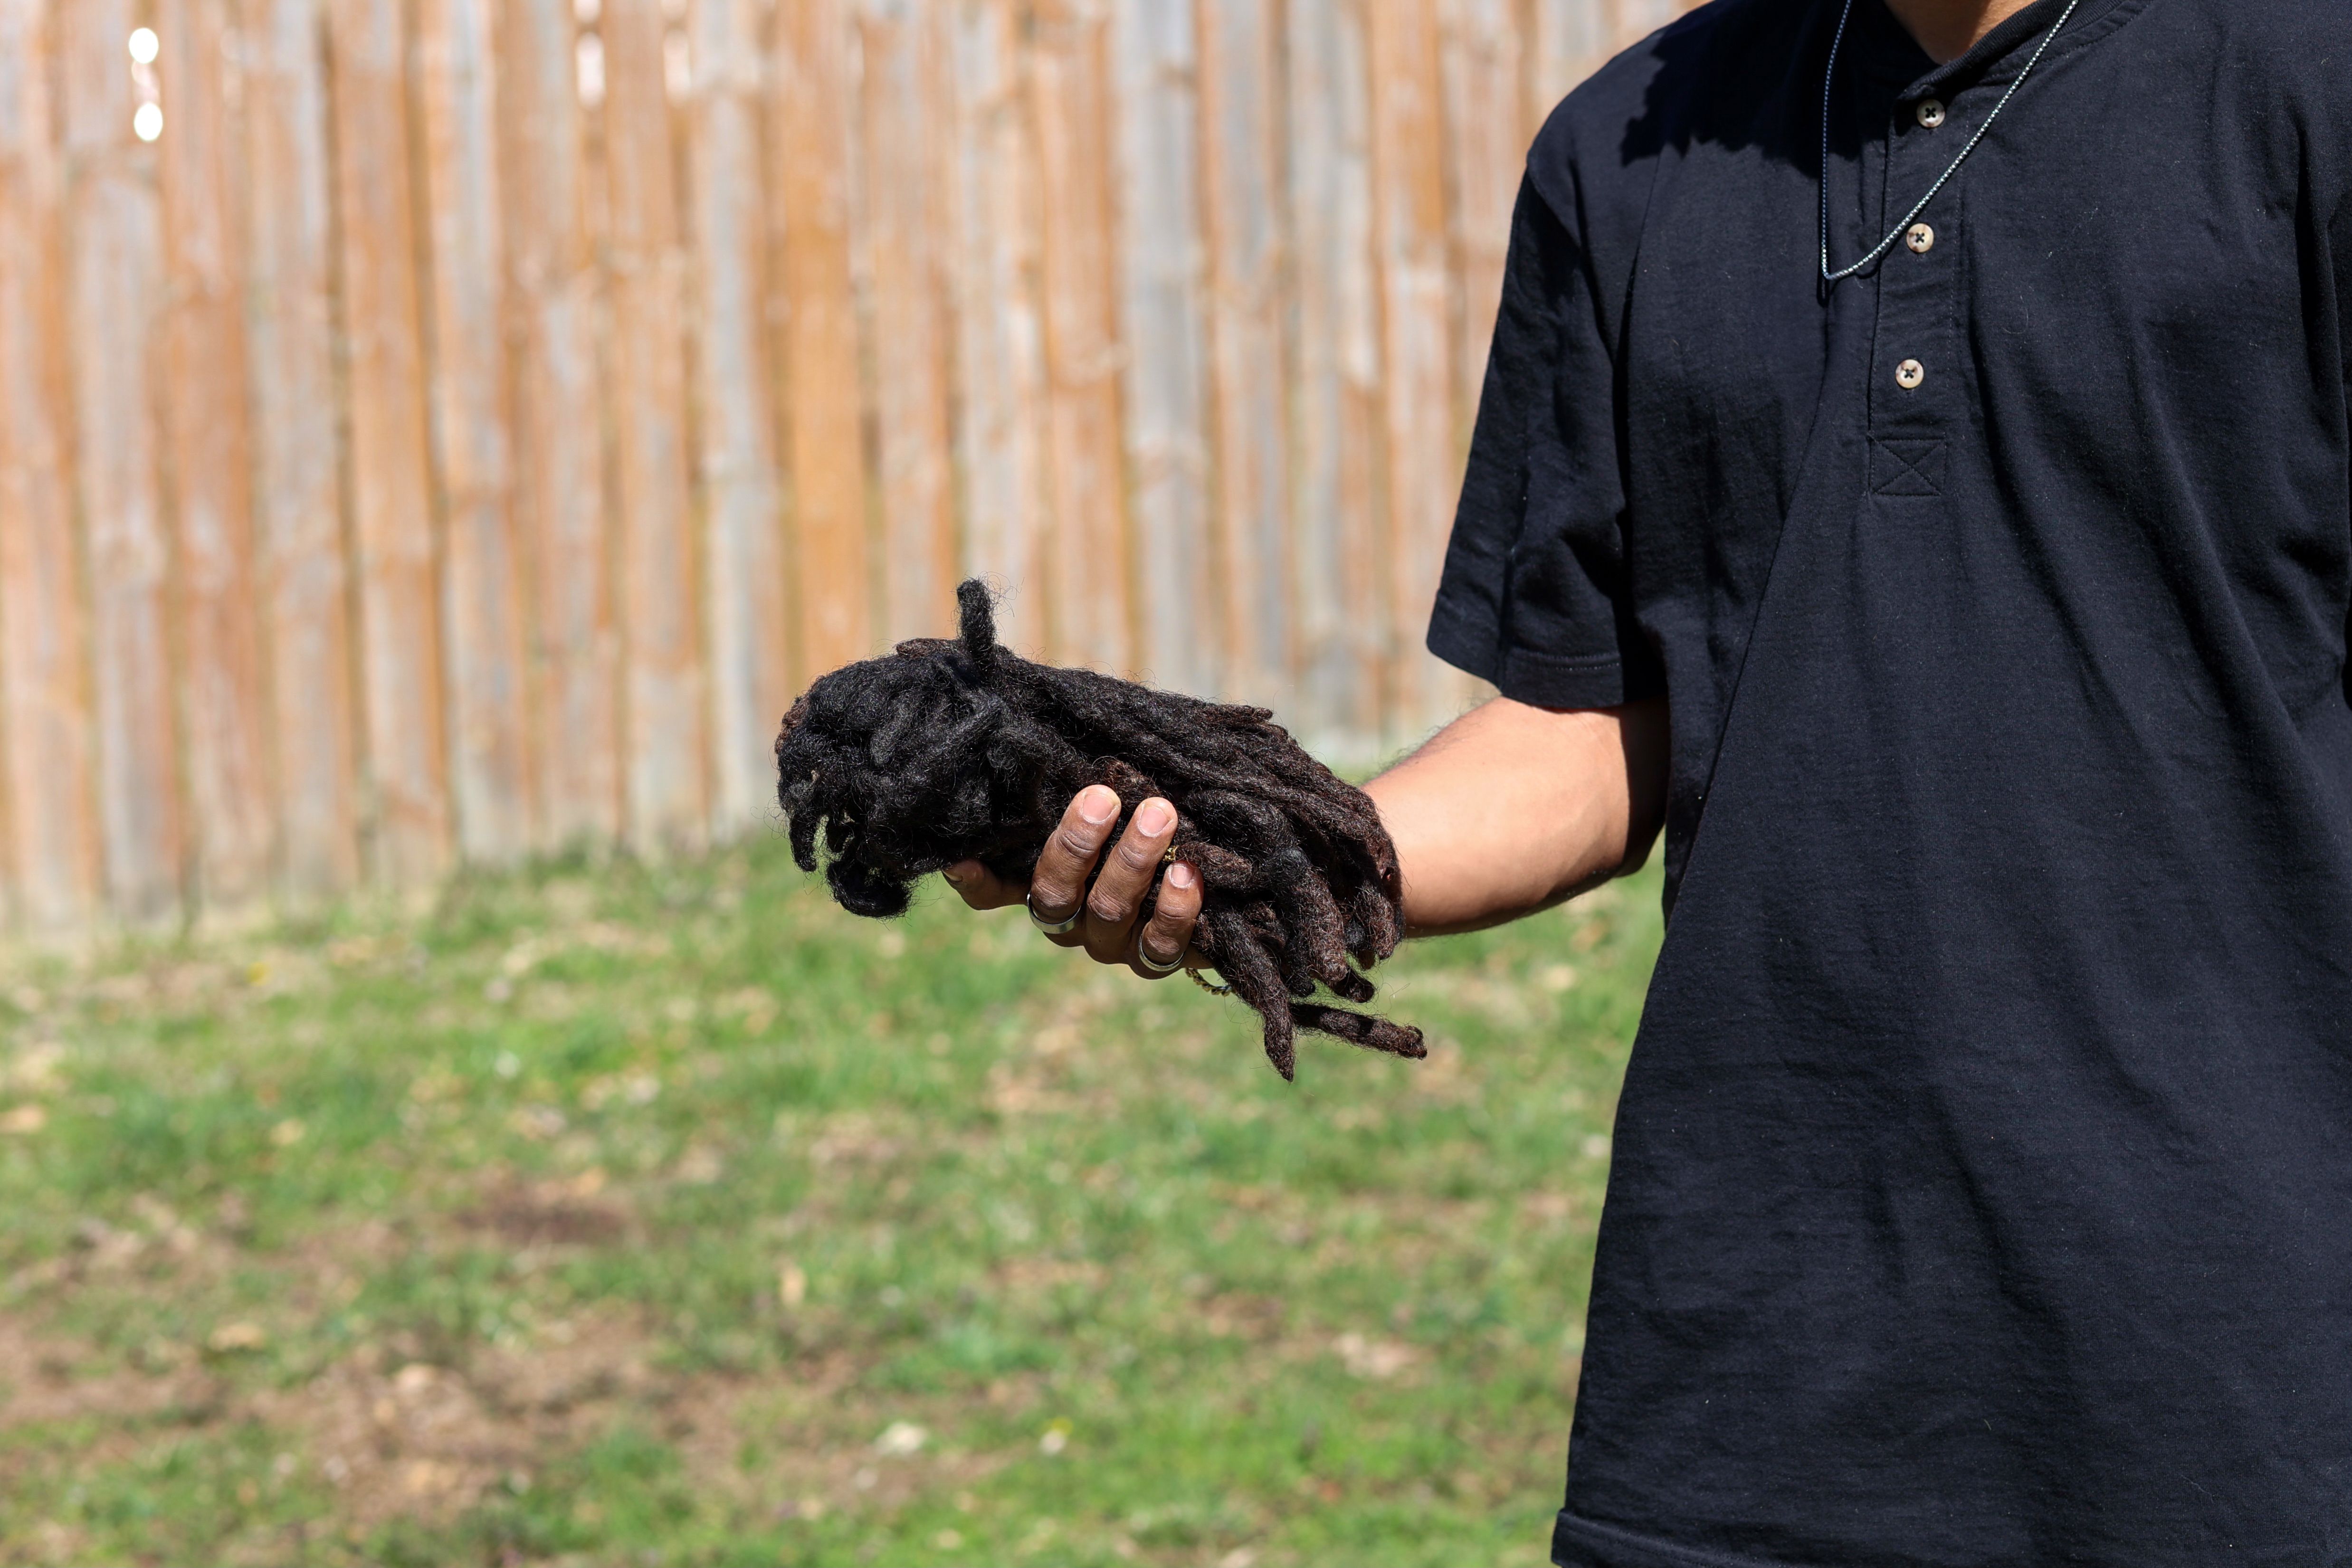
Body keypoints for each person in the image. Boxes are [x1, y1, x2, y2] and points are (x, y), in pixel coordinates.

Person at [944, 0, 2352, 1558]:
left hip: (2258, 1388)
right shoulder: (1628, 148)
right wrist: (1244, 854)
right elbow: (1596, 727)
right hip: (1754, 1376)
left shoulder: (2308, 77)